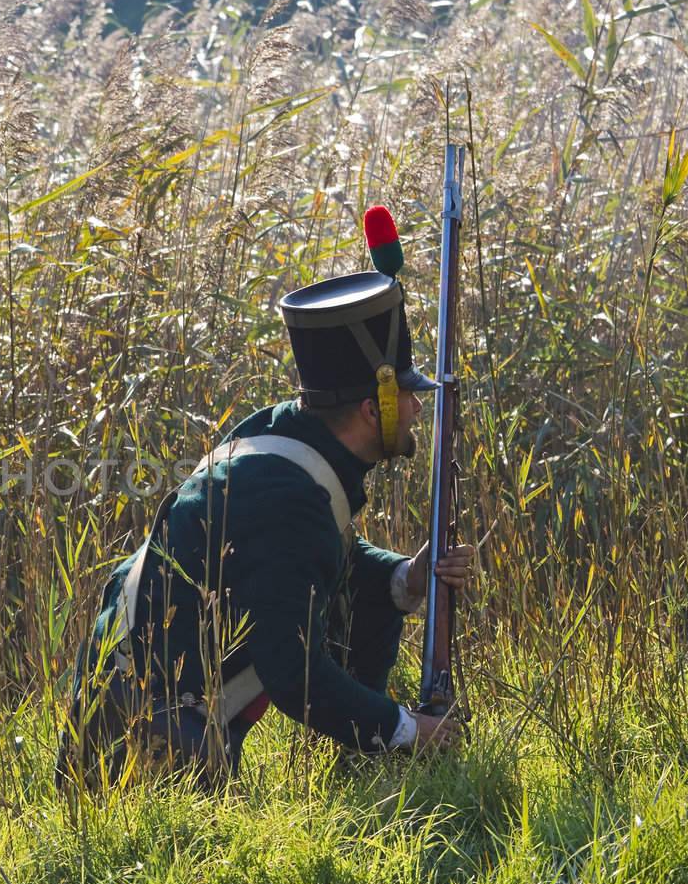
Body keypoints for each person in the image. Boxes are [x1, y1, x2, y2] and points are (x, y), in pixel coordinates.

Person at [62, 269, 477, 785]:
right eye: (408, 396)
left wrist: (404, 578)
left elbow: (321, 556)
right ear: (373, 409)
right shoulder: (289, 500)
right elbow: (295, 676)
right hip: (140, 745)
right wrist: (410, 730)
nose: (417, 408)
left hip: (144, 712)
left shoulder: (285, 438)